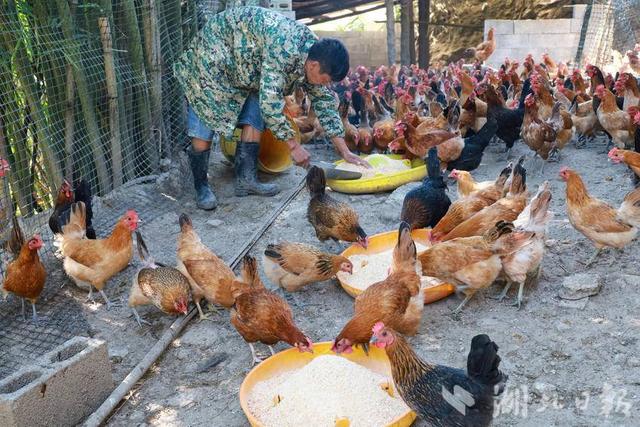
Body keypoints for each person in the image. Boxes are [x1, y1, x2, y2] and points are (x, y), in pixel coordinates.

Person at [173, 6, 369, 210]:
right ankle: (201, 187)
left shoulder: (314, 53)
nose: (325, 85)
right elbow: (271, 105)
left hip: (246, 63)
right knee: (207, 114)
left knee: (255, 108)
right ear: (313, 66)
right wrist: (294, 146)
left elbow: (324, 103)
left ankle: (246, 180)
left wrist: (345, 151)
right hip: (214, 56)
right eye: (326, 80)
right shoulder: (283, 50)